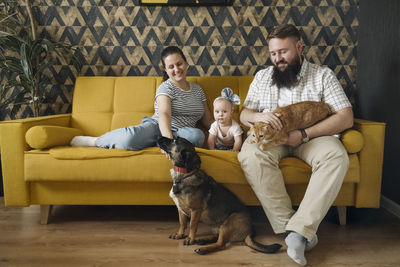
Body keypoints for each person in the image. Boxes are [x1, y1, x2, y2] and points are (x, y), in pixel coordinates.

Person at [237, 24, 353, 266]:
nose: (278, 59)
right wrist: (257, 117)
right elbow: (244, 113)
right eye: (273, 54)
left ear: (299, 47)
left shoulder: (323, 75)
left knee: (336, 156)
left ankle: (300, 232)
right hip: (269, 137)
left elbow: (345, 117)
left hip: (312, 137)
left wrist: (304, 134)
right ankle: (294, 230)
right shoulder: (262, 77)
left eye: (283, 52)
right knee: (250, 155)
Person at [70, 46, 214, 150]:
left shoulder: (198, 90)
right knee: (129, 138)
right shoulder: (166, 88)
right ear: (165, 70)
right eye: (171, 67)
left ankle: (157, 144)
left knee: (197, 136)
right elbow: (164, 114)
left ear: (186, 63)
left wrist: (229, 131)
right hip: (157, 128)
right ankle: (95, 141)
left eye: (179, 63)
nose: (176, 69)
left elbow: (208, 120)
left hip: (183, 134)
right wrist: (169, 142)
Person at [207, 87, 243, 152]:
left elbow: (238, 140)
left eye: (224, 111)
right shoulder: (214, 125)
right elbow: (211, 139)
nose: (220, 114)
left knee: (239, 148)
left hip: (233, 145)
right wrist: (212, 149)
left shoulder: (235, 126)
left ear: (231, 112)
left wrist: (235, 149)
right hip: (219, 146)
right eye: (217, 112)